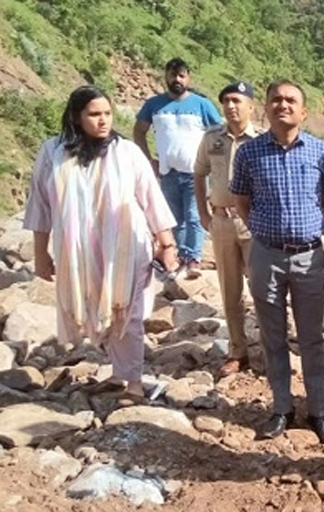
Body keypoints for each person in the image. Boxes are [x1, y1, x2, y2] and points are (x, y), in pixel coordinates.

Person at [24, 85, 178, 406]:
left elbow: (150, 197)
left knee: (127, 313)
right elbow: (40, 205)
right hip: (79, 252)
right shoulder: (53, 152)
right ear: (76, 117)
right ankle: (119, 372)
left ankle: (133, 383)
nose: (103, 120)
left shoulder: (126, 151)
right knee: (99, 309)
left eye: (107, 113)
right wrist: (41, 253)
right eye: (94, 114)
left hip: (125, 249)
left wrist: (166, 241)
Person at [230, 79, 324, 444]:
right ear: (266, 108)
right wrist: (265, 232)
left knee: (312, 339)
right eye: (276, 100)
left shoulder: (322, 152)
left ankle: (319, 411)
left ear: (304, 111)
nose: (283, 105)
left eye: (291, 100)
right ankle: (281, 409)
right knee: (272, 337)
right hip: (266, 255)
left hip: (309, 256)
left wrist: (311, 232)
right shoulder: (248, 153)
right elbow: (242, 202)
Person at [194, 81, 263, 377]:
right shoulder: (212, 139)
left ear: (251, 106)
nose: (231, 106)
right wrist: (203, 213)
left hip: (255, 223)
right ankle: (238, 351)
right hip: (221, 221)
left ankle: (271, 348)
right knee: (230, 289)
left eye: (237, 100)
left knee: (263, 288)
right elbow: (199, 174)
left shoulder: (262, 140)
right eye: (226, 101)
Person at [134, 58, 222, 278]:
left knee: (194, 216)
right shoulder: (154, 105)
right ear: (166, 76)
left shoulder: (202, 105)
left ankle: (193, 260)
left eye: (181, 75)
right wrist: (148, 160)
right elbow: (139, 131)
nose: (177, 79)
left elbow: (219, 135)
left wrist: (214, 162)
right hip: (167, 172)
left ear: (188, 77)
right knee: (174, 219)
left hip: (196, 173)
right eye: (173, 75)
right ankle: (181, 258)